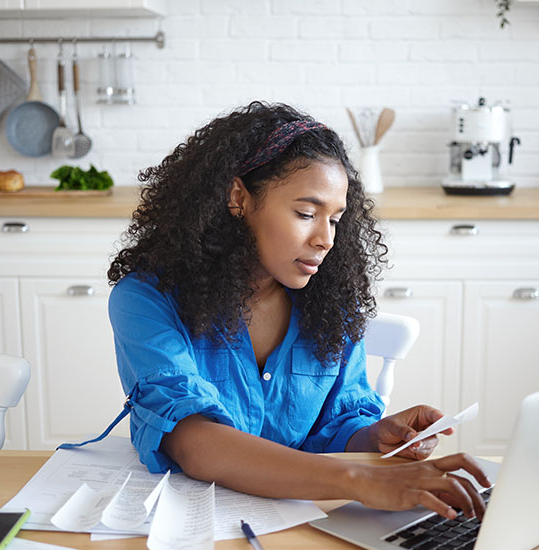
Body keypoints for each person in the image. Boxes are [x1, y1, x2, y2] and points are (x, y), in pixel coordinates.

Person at [107, 101, 490, 520]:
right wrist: (360, 480)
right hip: (189, 525)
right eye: (307, 213)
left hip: (305, 523)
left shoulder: (332, 307)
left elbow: (335, 429)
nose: (325, 239)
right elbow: (193, 443)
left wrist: (375, 438)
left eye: (335, 219)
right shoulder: (146, 299)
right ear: (239, 198)